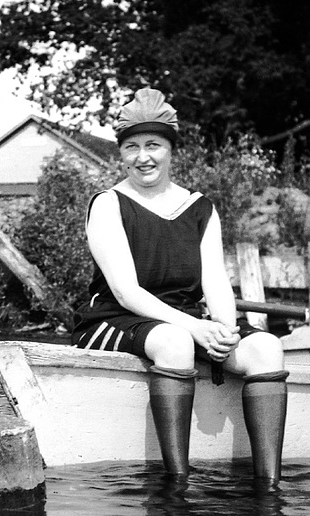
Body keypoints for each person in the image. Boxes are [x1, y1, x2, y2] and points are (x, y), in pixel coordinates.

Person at [72, 88, 288, 481]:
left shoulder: (199, 207)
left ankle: (268, 487)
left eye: (153, 144)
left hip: (187, 320)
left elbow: (216, 281)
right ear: (120, 153)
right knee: (175, 341)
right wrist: (196, 329)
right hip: (114, 318)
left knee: (268, 347)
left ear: (171, 149)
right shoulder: (108, 204)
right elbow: (126, 291)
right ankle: (177, 487)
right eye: (131, 147)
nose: (143, 157)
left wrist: (222, 329)